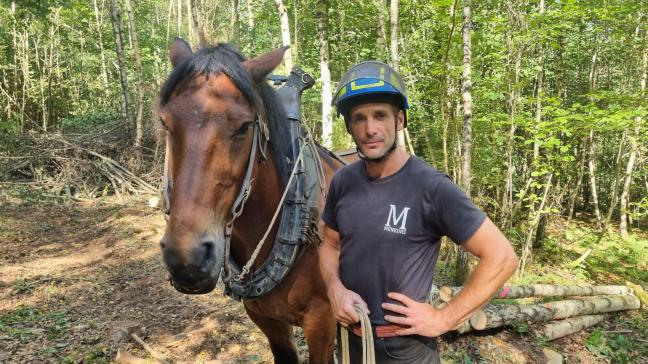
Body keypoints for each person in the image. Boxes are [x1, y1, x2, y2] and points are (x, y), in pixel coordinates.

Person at [319, 61, 519, 363]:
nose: (370, 129)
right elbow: (329, 244)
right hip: (350, 345)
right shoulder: (344, 182)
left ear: (399, 120)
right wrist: (334, 289)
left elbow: (502, 257)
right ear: (349, 126)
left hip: (406, 350)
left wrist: (443, 319)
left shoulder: (430, 187)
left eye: (380, 116)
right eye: (359, 118)